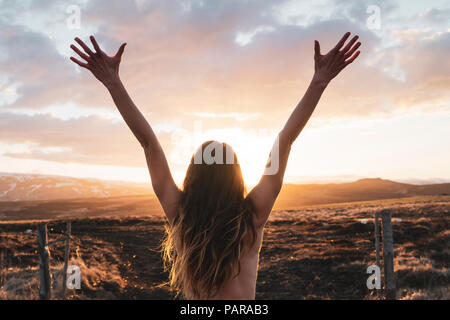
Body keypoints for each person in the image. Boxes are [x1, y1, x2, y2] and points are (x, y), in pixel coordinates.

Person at [70, 32, 361, 299]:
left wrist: (113, 83)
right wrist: (319, 81)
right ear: (236, 176)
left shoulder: (180, 215)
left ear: (193, 174)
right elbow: (284, 142)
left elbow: (149, 144)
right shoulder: (252, 216)